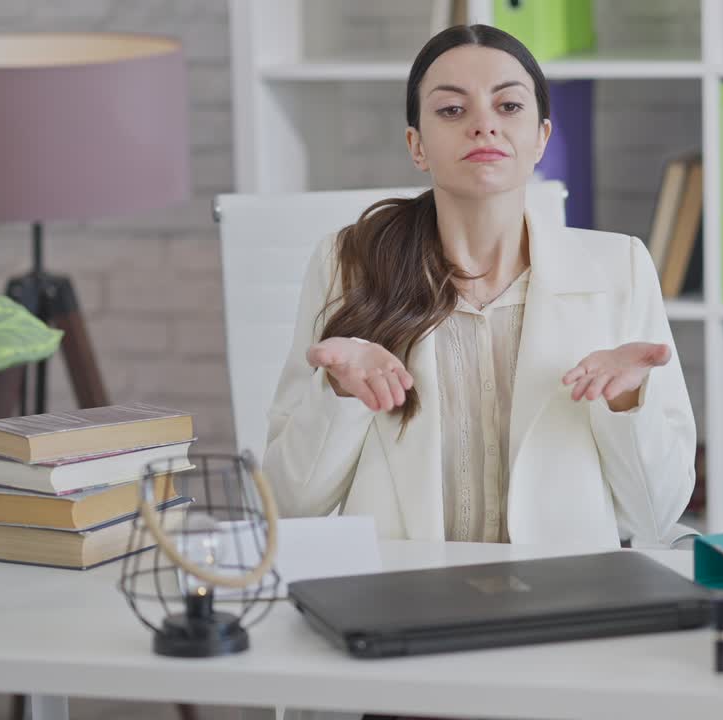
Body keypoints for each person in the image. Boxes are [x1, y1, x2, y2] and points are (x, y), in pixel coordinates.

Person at [263, 23, 697, 554]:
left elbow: (658, 512)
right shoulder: (349, 264)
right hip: (401, 598)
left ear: (541, 137)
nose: (483, 126)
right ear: (416, 145)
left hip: (561, 599)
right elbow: (291, 502)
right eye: (452, 110)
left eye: (509, 107)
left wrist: (628, 402)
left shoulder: (620, 267)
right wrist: (338, 395)